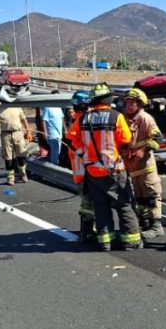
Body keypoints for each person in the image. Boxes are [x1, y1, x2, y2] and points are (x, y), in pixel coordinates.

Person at [66, 83, 142, 251]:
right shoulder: (116, 116)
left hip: (93, 171)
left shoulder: (84, 118)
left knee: (101, 208)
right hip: (114, 170)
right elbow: (126, 140)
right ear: (107, 99)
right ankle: (131, 240)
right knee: (124, 205)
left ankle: (105, 242)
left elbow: (71, 139)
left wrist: (84, 154)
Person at [121, 88, 165, 240]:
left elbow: (158, 139)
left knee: (152, 196)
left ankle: (156, 226)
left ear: (139, 104)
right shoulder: (125, 119)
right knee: (140, 199)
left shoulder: (145, 119)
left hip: (146, 168)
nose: (128, 106)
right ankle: (145, 223)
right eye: (127, 103)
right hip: (133, 168)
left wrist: (143, 150)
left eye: (132, 103)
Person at [67, 90, 96, 243]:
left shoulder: (82, 119)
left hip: (84, 169)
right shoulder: (81, 120)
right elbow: (71, 142)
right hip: (85, 170)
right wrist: (85, 156)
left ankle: (88, 231)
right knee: (89, 203)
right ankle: (87, 232)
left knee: (89, 203)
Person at [0, 98, 32, 185]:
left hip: (18, 133)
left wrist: (28, 132)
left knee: (21, 155)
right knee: (8, 158)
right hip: (6, 135)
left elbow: (24, 120)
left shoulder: (17, 107)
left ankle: (23, 173)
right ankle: (10, 178)